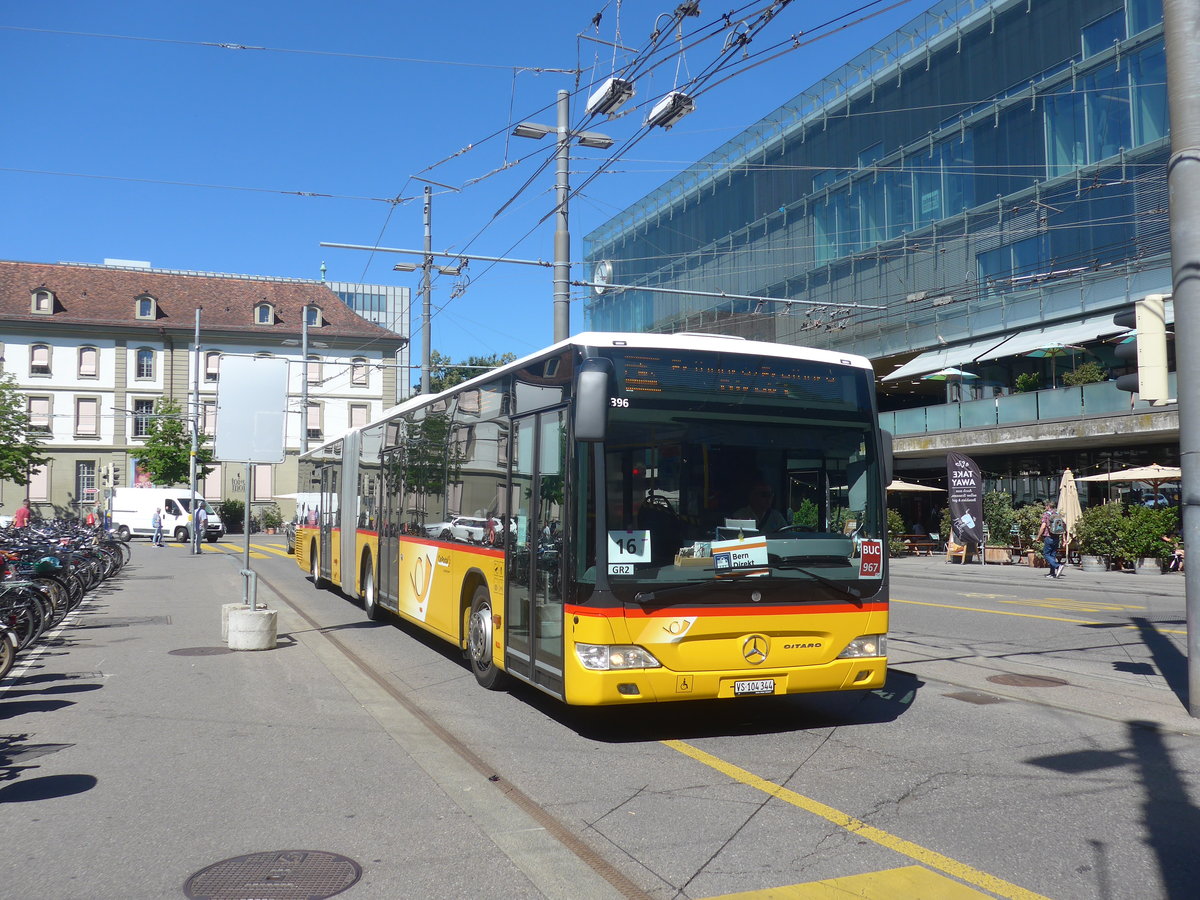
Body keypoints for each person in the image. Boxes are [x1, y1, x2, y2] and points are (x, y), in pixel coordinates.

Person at [1037, 498, 1065, 578]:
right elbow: (1063, 527)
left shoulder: (1046, 515)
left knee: (1046, 554)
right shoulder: (1058, 514)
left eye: (1046, 506)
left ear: (1048, 506)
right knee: (1052, 555)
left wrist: (1038, 536)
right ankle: (1052, 573)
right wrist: (1064, 539)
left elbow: (1043, 527)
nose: (1045, 507)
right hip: (1057, 537)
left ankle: (1057, 566)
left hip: (1048, 536)